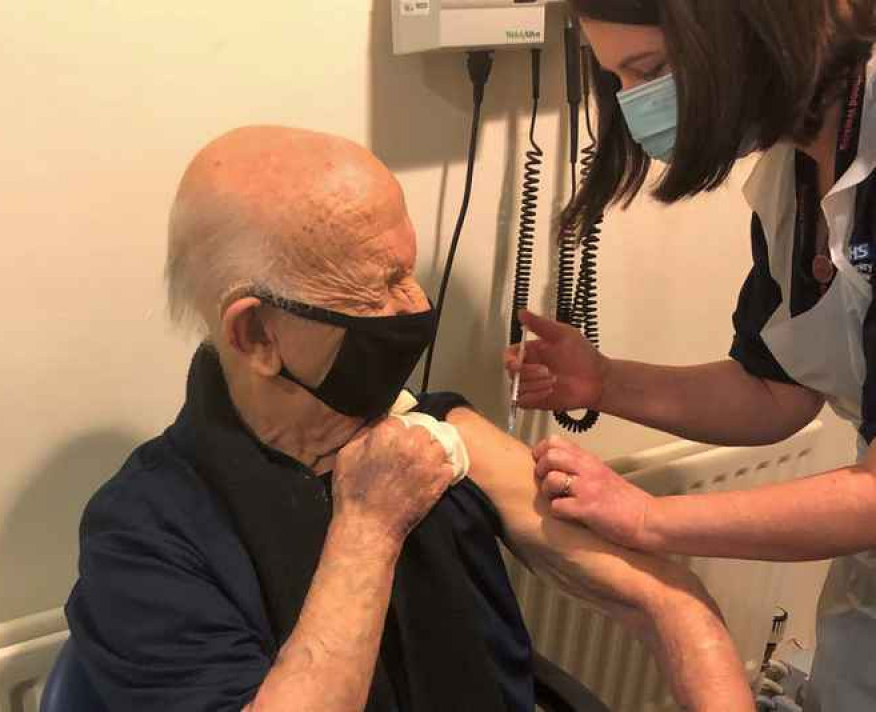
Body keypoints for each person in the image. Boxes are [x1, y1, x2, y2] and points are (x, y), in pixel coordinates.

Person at [64, 126, 753, 711]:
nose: (416, 304)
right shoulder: (143, 532)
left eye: (409, 271)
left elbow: (669, 603)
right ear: (256, 337)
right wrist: (368, 523)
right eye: (378, 286)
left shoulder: (438, 435)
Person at [504, 1, 876, 710]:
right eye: (617, 79)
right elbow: (777, 393)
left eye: (650, 71)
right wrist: (606, 381)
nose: (635, 104)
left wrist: (650, 520)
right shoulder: (790, 181)